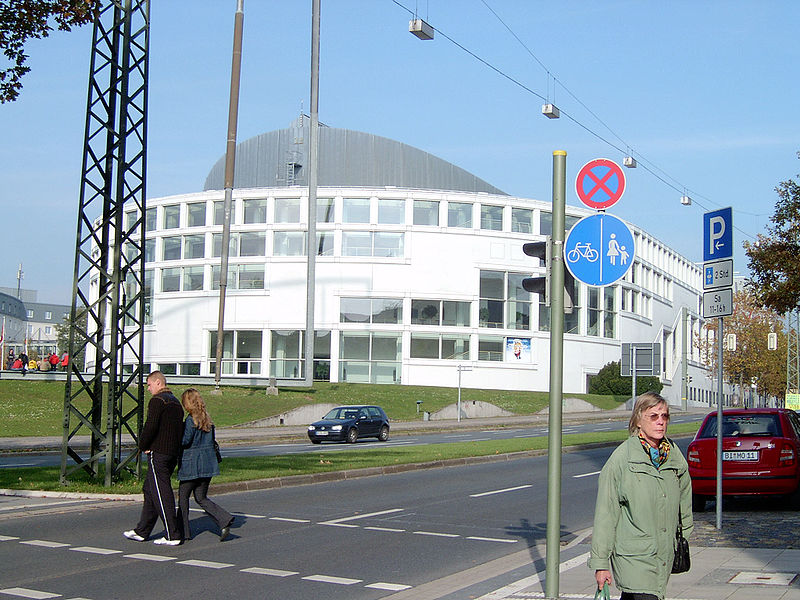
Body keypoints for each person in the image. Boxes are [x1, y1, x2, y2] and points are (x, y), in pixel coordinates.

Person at [589, 392, 693, 600]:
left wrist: (682, 537)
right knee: (647, 595)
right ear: (638, 420)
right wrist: (601, 563)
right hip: (633, 556)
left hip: (663, 553)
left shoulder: (673, 454)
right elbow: (606, 514)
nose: (661, 422)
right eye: (653, 416)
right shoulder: (622, 458)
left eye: (664, 416)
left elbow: (685, 499)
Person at [124, 370, 184, 545]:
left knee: (160, 491)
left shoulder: (158, 401)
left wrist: (143, 446)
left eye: (149, 385)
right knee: (150, 489)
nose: (148, 388)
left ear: (158, 383)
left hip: (158, 452)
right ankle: (142, 530)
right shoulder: (175, 402)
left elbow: (150, 426)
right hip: (172, 452)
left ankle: (173, 534)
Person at [176, 388, 233, 542]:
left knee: (183, 498)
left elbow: (185, 441)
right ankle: (224, 519)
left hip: (191, 465)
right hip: (208, 464)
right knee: (201, 497)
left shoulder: (190, 420)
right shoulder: (208, 419)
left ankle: (183, 531)